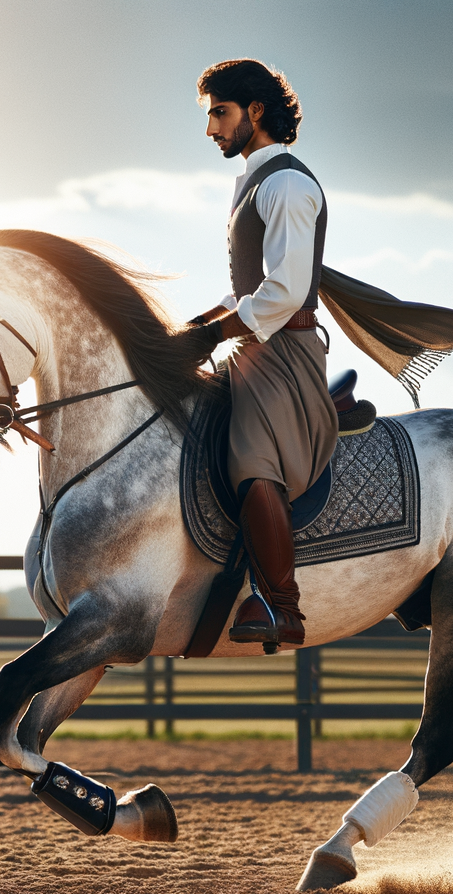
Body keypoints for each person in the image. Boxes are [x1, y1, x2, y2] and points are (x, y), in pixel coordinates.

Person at [186, 59, 337, 648]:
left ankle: (283, 607)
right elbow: (250, 289)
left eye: (218, 114)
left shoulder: (289, 185)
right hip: (257, 342)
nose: (211, 130)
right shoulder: (251, 181)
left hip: (286, 351)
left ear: (255, 111)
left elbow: (285, 291)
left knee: (252, 463)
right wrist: (196, 325)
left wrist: (220, 334)